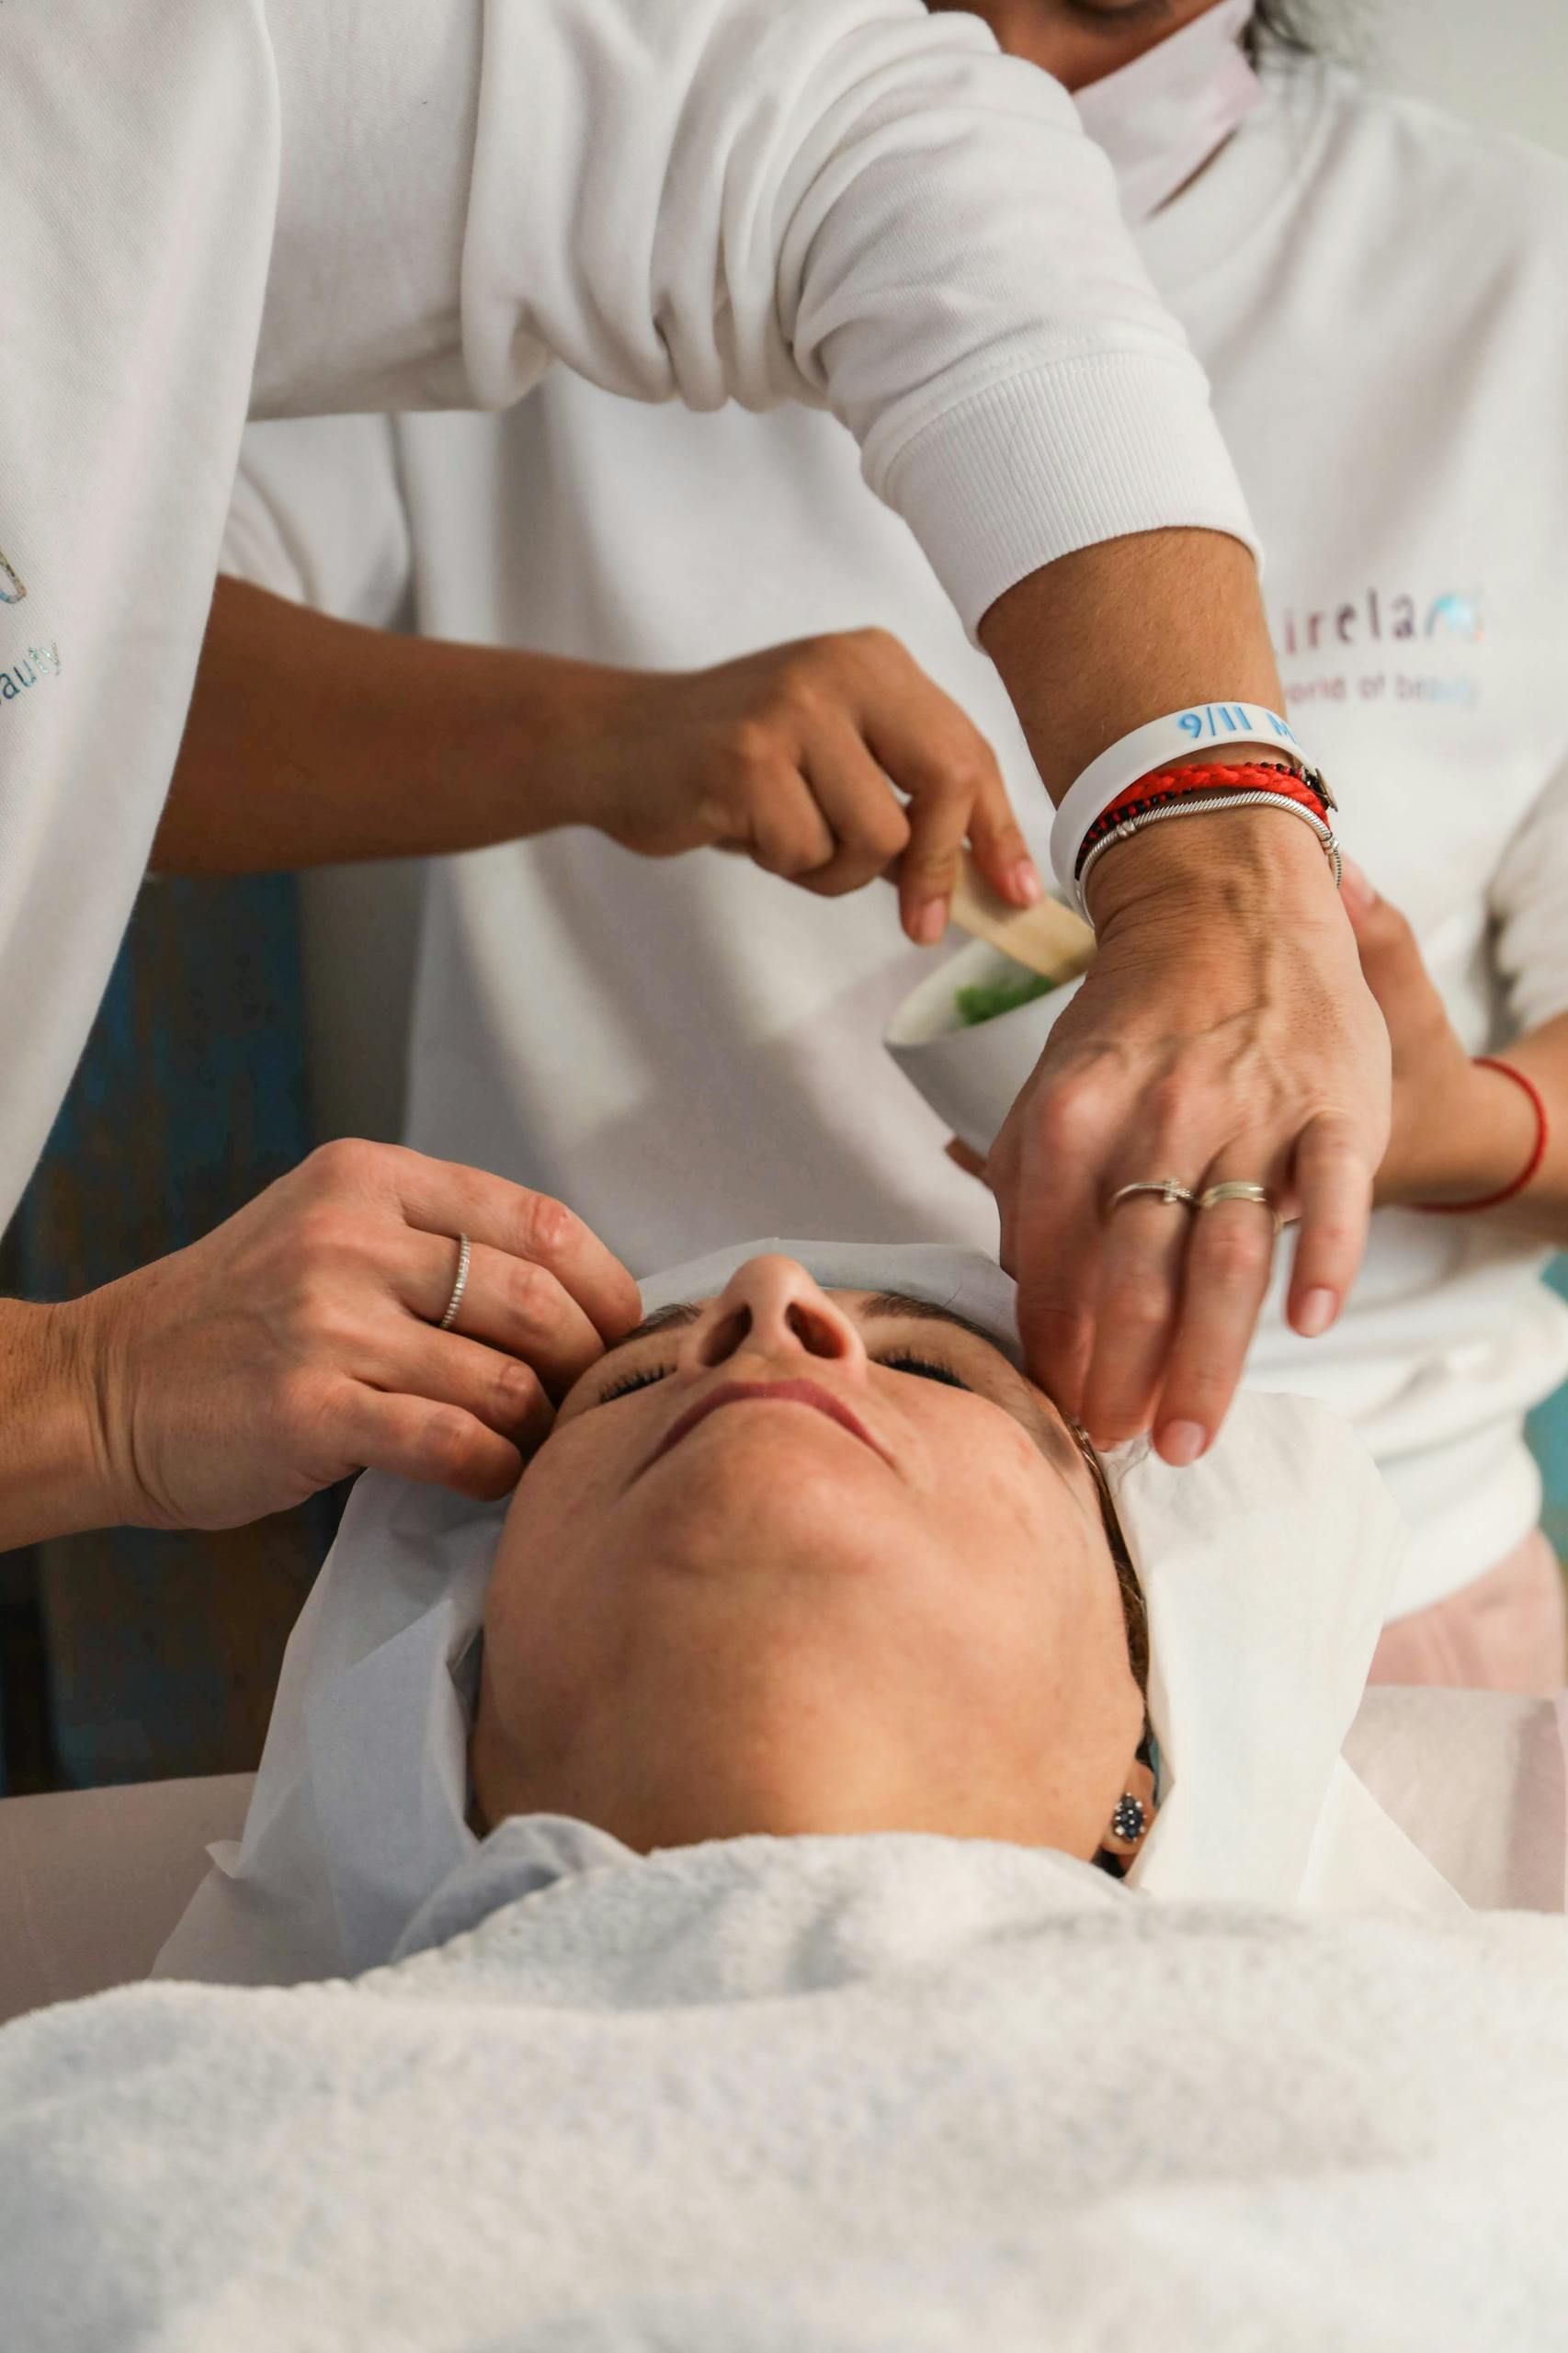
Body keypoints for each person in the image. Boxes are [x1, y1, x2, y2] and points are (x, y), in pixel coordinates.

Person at [189, 0, 1568, 1686]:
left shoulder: (1512, 281)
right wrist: (601, 737)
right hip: (663, 1577)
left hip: (1369, 1580)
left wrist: (1454, 1125)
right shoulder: (527, 165)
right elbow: (98, 698)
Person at [8, 1245, 1568, 2348]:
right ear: (443, 1734)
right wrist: (81, 1391)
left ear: (1146, 1757)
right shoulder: (94, 2133)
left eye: (927, 1367)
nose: (767, 1303)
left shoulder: (1508, 2069)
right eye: (629, 1389)